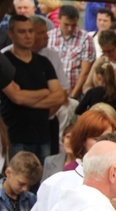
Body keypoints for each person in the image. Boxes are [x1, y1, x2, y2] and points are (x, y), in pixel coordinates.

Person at [1, 15, 66, 161]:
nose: (28, 35)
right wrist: (45, 92)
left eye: (31, 31)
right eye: (22, 32)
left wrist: (26, 99)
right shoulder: (5, 61)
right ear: (11, 34)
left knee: (43, 180)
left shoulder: (44, 62)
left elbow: (60, 97)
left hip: (43, 134)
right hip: (15, 136)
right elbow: (16, 97)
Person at [47, 5, 95, 100]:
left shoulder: (85, 39)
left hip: (74, 94)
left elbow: (85, 71)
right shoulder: (49, 37)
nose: (70, 28)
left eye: (73, 25)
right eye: (66, 24)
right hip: (51, 93)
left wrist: (73, 95)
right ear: (59, 19)